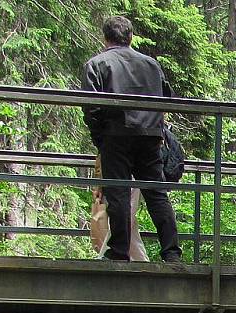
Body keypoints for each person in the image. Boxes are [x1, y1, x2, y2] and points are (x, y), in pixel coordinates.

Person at [81, 15, 181, 263]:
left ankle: (119, 253)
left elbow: (90, 107)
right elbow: (166, 96)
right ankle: (172, 253)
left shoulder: (97, 64)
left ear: (105, 38)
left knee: (119, 195)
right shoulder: (151, 65)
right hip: (149, 136)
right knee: (156, 194)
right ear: (131, 37)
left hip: (116, 135)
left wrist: (100, 138)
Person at [90, 156, 149, 261]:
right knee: (127, 220)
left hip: (129, 169)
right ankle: (142, 261)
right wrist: (99, 181)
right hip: (118, 169)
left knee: (125, 218)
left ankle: (105, 255)